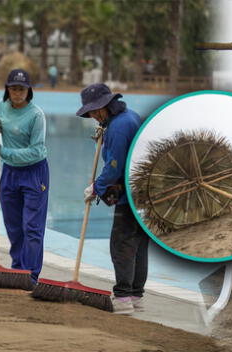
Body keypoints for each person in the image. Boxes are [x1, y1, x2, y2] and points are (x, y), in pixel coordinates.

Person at [76, 83, 147, 315]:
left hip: (129, 197)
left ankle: (123, 298)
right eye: (91, 113)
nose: (94, 116)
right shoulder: (128, 117)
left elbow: (115, 167)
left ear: (107, 104)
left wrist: (96, 187)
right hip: (144, 196)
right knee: (138, 246)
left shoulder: (118, 126)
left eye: (96, 110)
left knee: (121, 245)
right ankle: (136, 296)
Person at [0, 69, 49, 285]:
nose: (17, 93)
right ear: (7, 89)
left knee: (31, 227)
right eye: (13, 88)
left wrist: (4, 151)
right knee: (14, 226)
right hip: (10, 173)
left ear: (29, 91)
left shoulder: (36, 115)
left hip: (34, 172)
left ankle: (30, 276)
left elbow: (36, 151)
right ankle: (17, 270)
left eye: (21, 89)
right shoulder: (1, 106)